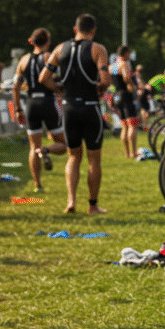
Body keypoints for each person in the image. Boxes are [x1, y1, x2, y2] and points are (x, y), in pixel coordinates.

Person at [38, 13, 111, 214]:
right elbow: (105, 80)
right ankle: (93, 205)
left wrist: (59, 89)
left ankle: (71, 201)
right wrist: (100, 90)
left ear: (75, 29)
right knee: (94, 159)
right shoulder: (98, 49)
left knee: (73, 156)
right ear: (93, 31)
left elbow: (43, 77)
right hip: (90, 107)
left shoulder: (60, 48)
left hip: (69, 109)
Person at [12, 27, 67, 192]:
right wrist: (57, 88)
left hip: (30, 104)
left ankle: (38, 185)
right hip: (47, 102)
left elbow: (15, 87)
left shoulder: (23, 60)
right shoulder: (49, 57)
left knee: (32, 147)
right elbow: (54, 79)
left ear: (31, 41)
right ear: (48, 41)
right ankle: (45, 149)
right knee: (62, 145)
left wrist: (17, 109)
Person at [111, 45, 139, 158]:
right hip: (125, 95)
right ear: (125, 53)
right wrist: (132, 86)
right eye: (129, 53)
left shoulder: (113, 65)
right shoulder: (124, 64)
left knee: (124, 125)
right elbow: (127, 77)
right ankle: (133, 152)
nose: (130, 56)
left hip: (116, 95)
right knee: (132, 125)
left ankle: (127, 153)